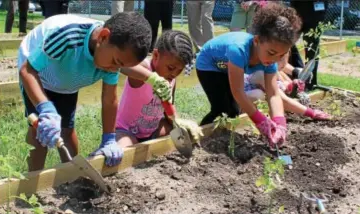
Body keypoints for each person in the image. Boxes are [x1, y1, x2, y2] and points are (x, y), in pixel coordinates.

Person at [17, 12, 158, 171]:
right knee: (41, 133)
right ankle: (33, 183)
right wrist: (45, 108)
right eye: (115, 62)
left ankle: (75, 173)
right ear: (103, 37)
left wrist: (109, 139)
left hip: (68, 76)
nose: (115, 69)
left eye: (120, 66)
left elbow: (109, 99)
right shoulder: (67, 37)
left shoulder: (109, 56)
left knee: (67, 130)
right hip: (39, 74)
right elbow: (27, 71)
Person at [195, 3, 302, 149]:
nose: (274, 59)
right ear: (257, 41)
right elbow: (238, 92)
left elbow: (273, 94)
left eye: (281, 55)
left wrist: (280, 124)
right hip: (209, 64)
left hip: (227, 66)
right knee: (221, 109)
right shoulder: (238, 50)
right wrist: (261, 122)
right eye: (271, 53)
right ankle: (199, 136)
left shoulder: (270, 58)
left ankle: (219, 137)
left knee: (232, 111)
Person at [113, 30, 203, 160]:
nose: (174, 74)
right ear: (155, 55)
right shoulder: (144, 69)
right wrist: (151, 78)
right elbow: (122, 65)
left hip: (153, 130)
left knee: (181, 133)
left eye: (179, 70)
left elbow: (168, 106)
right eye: (171, 68)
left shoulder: (171, 79)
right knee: (121, 152)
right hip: (127, 131)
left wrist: (177, 120)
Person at [289, 0, 329, 90]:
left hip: (316, 10)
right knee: (289, 42)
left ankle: (310, 81)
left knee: (312, 48)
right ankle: (297, 73)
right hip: (299, 8)